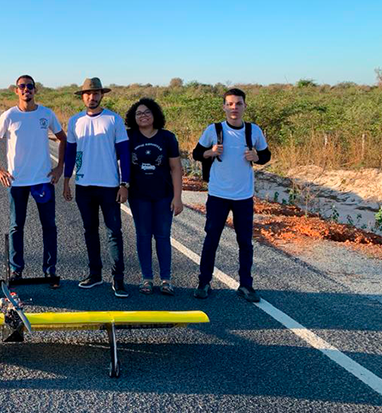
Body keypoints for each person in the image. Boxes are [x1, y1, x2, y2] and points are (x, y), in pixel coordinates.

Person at [191, 88, 271, 302]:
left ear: (245, 106)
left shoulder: (254, 131)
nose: (234, 108)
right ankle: (204, 282)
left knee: (245, 241)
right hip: (218, 194)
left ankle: (246, 284)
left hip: (243, 195)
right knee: (211, 239)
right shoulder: (213, 130)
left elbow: (266, 155)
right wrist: (210, 152)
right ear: (224, 107)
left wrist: (257, 156)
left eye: (238, 103)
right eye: (230, 104)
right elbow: (197, 153)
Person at [0, 75, 67, 288]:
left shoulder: (46, 114)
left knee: (49, 226)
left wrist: (59, 167)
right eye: (22, 87)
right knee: (16, 226)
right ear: (16, 90)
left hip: (42, 181)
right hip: (17, 181)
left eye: (30, 86)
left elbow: (63, 139)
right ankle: (16, 270)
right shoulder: (9, 116)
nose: (26, 90)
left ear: (35, 90)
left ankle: (50, 271)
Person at [62, 77, 131, 298]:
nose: (92, 97)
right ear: (82, 96)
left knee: (114, 233)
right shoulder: (75, 121)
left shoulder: (114, 120)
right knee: (89, 231)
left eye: (96, 93)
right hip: (84, 185)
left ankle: (118, 279)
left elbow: (124, 154)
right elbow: (71, 153)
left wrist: (124, 184)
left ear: (102, 95)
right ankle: (95, 274)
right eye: (88, 94)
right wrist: (66, 180)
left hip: (109, 185)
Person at [125, 98, 183, 295]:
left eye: (147, 112)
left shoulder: (167, 138)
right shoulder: (129, 136)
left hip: (163, 195)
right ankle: (146, 278)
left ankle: (166, 279)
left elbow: (175, 168)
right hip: (139, 195)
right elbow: (119, 163)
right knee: (143, 236)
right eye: (139, 113)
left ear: (155, 114)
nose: (143, 116)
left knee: (162, 236)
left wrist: (178, 197)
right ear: (133, 117)